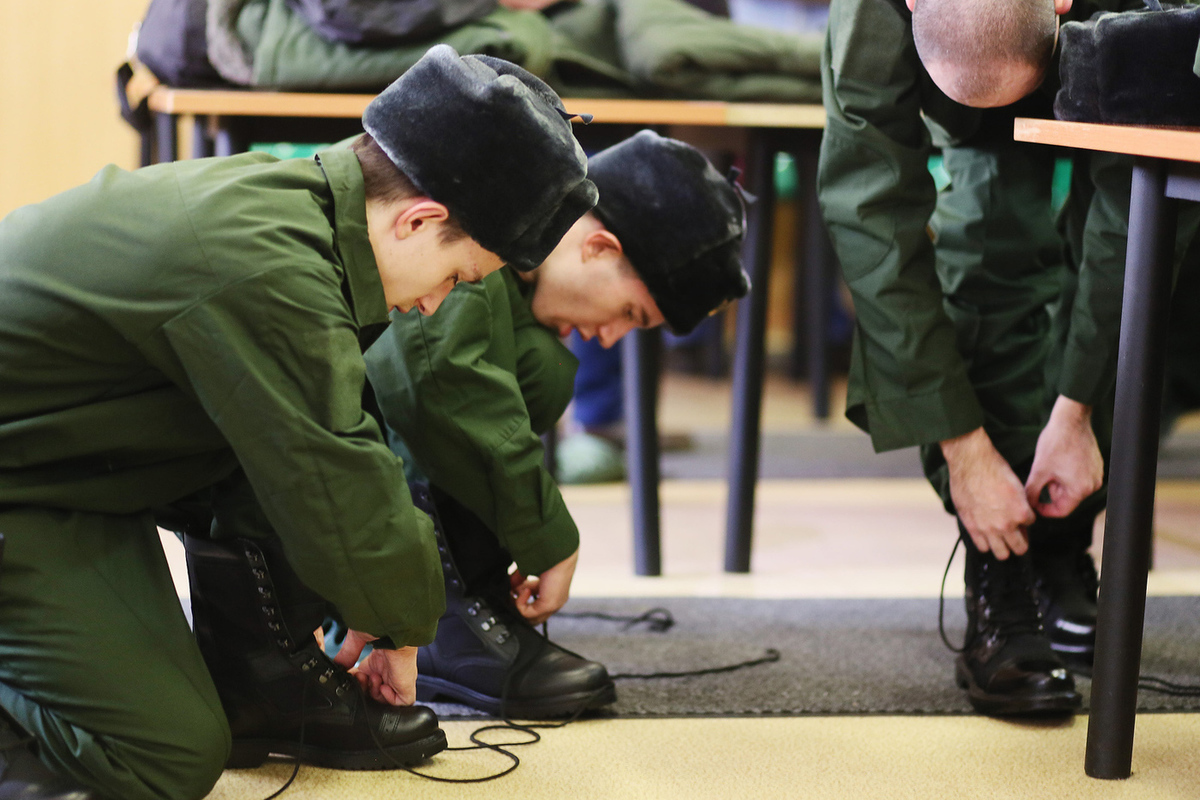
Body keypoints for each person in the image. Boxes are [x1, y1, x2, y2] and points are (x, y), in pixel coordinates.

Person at [0, 45, 596, 800]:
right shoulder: (268, 266)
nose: (437, 303)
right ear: (419, 219)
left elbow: (297, 456)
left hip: (61, 475)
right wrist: (399, 625)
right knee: (161, 756)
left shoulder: (295, 211)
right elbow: (333, 471)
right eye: (456, 277)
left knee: (187, 725)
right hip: (23, 486)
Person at [816, 0, 1152, 716]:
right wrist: (963, 450)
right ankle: (1003, 564)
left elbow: (1132, 208)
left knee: (1152, 245)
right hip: (961, 74)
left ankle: (1063, 540)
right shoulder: (869, 21)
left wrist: (1078, 410)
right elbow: (870, 216)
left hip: (1103, 54)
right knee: (993, 235)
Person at [359, 130, 750, 718]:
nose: (609, 336)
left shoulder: (520, 250)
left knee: (542, 367)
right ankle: (431, 604)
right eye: (627, 313)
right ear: (597, 248)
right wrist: (547, 538)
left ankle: (454, 591)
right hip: (275, 442)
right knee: (466, 382)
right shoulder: (484, 220)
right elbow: (436, 384)